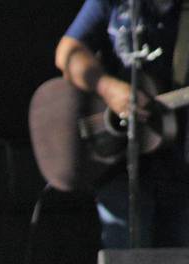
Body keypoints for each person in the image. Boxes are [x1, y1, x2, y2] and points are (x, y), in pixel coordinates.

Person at [55, 0, 189, 248]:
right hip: (120, 163)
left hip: (181, 167)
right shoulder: (113, 3)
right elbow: (68, 52)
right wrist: (108, 88)